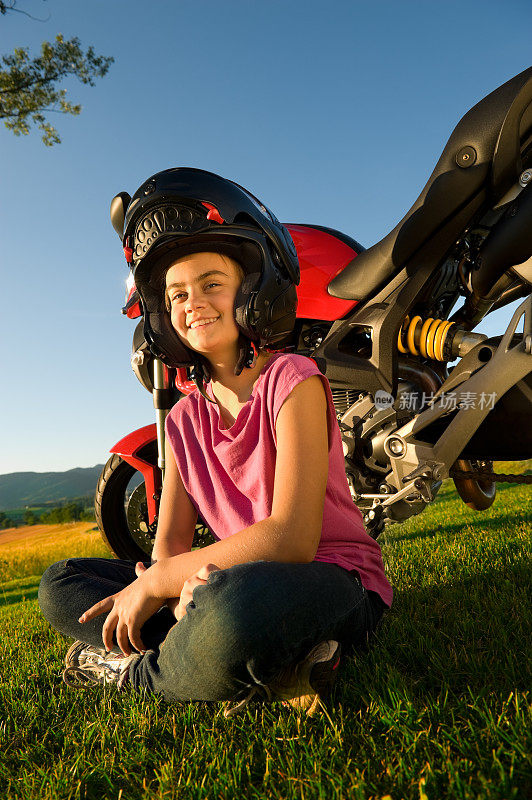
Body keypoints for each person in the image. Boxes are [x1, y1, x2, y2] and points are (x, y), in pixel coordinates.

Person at [38, 168, 392, 717]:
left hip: (329, 578)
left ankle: (139, 675)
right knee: (61, 583)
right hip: (226, 580)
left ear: (251, 291)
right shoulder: (181, 421)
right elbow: (171, 544)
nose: (193, 302)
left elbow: (291, 541)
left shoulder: (293, 380)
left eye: (211, 284)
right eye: (176, 294)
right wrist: (169, 587)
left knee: (234, 612)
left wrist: (167, 583)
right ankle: (273, 661)